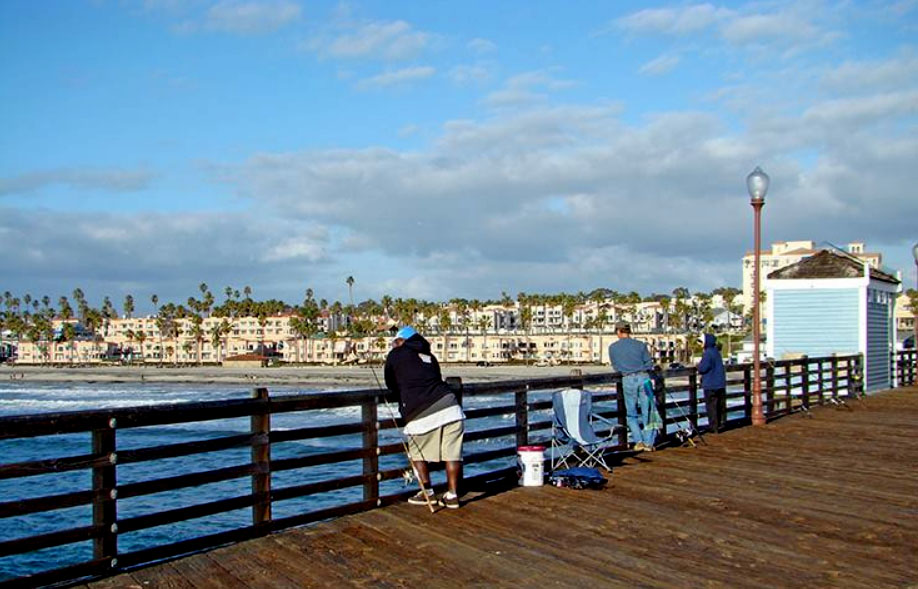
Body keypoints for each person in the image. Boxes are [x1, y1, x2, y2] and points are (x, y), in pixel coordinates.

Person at [384, 325, 465, 509]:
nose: (393, 345)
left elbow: (390, 383)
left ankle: (426, 491)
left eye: (395, 341)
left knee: (416, 452)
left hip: (420, 411)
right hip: (451, 406)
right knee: (452, 454)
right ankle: (452, 496)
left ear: (402, 341)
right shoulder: (429, 356)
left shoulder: (396, 354)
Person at [608, 322, 661, 451]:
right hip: (645, 379)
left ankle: (638, 441)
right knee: (648, 411)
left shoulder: (613, 347)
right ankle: (649, 443)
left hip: (627, 379)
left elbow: (615, 366)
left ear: (618, 332)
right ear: (629, 331)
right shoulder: (640, 345)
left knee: (631, 413)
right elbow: (649, 363)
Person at [697, 333, 727, 433]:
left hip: (711, 384)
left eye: (701, 342)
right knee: (719, 406)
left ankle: (713, 427)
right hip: (720, 383)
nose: (700, 344)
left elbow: (703, 368)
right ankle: (720, 424)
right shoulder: (716, 352)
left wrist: (698, 366)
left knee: (711, 407)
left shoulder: (708, 353)